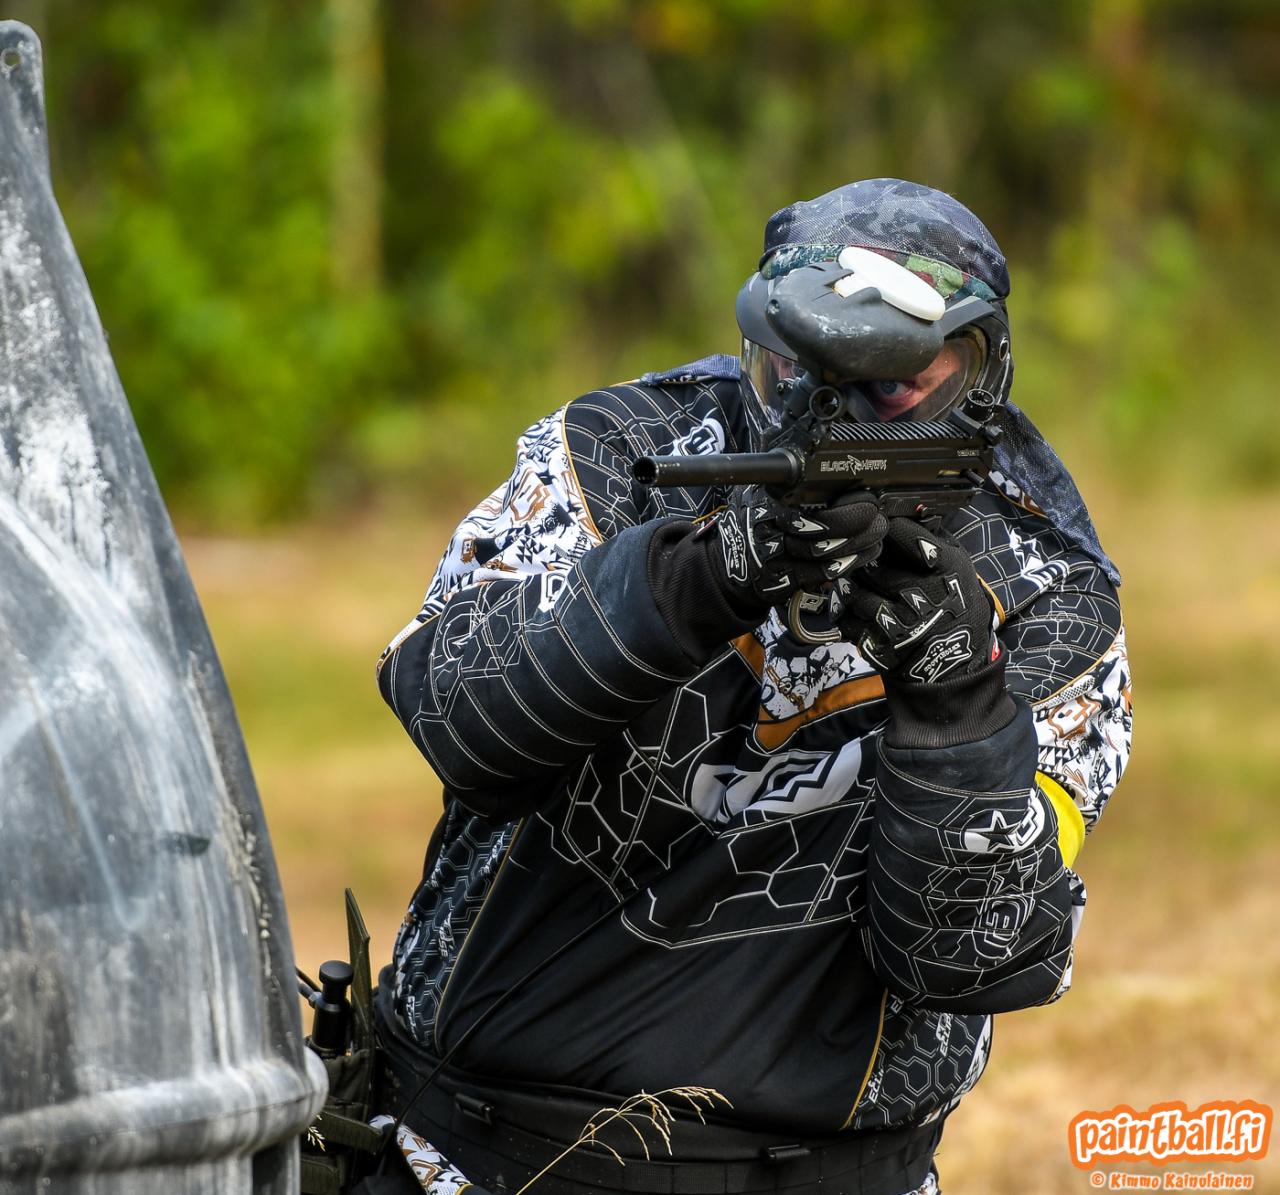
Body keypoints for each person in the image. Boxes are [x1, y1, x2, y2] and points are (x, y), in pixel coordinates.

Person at [370, 179, 1133, 1195]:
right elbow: (457, 717)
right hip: (480, 1152)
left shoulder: (1045, 590)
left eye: (892, 383)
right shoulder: (619, 456)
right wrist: (692, 576)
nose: (836, 419)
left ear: (975, 370)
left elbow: (972, 954)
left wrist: (957, 704)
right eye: (799, 373)